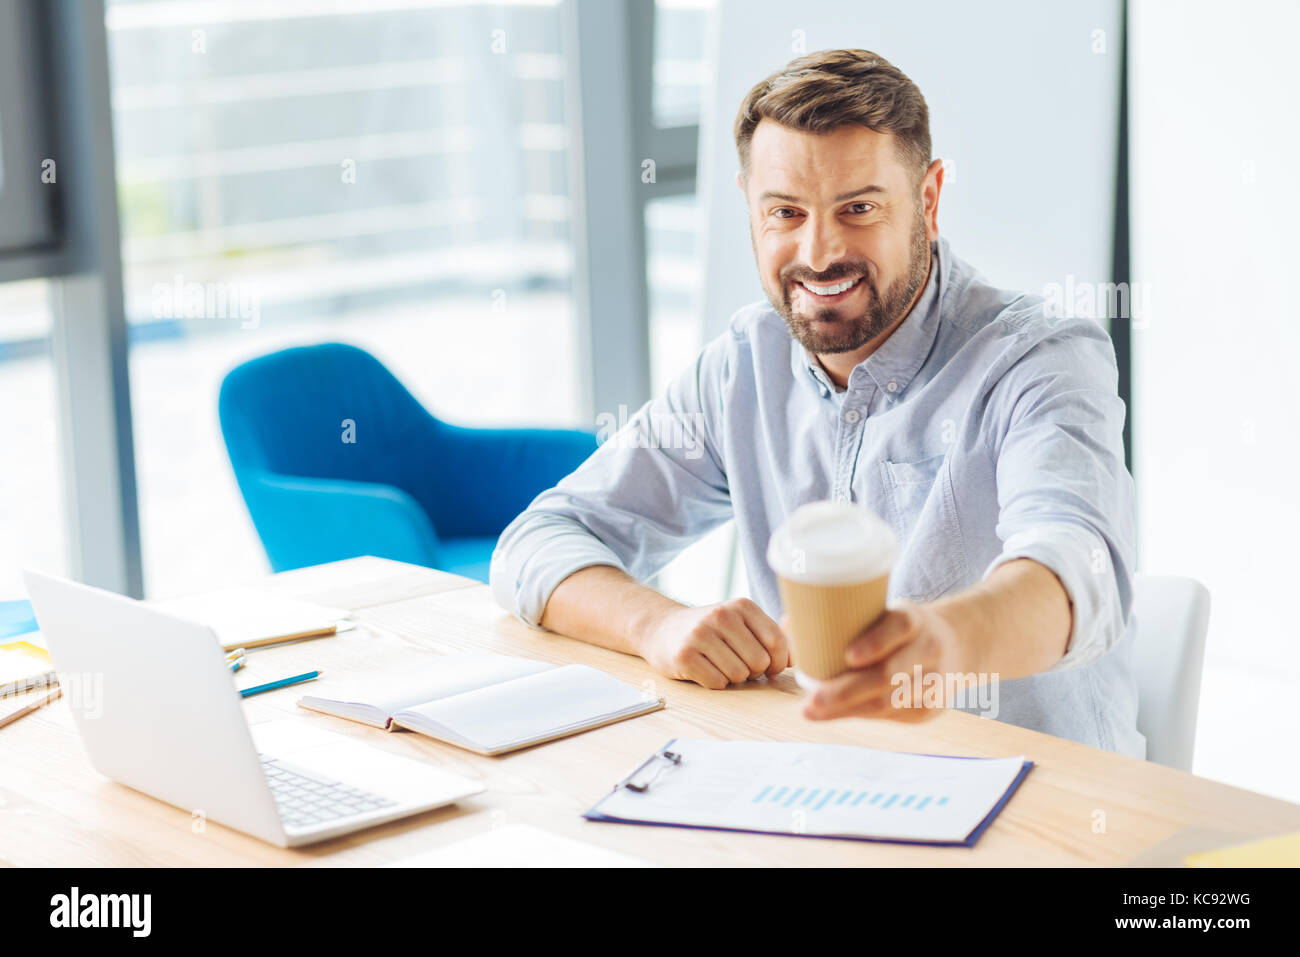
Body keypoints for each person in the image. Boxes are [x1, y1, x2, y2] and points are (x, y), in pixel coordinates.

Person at [489, 48, 1143, 757]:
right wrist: (658, 624)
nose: (820, 250)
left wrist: (946, 641)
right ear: (750, 205)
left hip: (1037, 801)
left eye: (858, 208)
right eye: (785, 213)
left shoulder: (1038, 357)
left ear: (928, 199)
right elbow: (537, 543)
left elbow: (1081, 568)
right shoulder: (742, 368)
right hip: (820, 782)